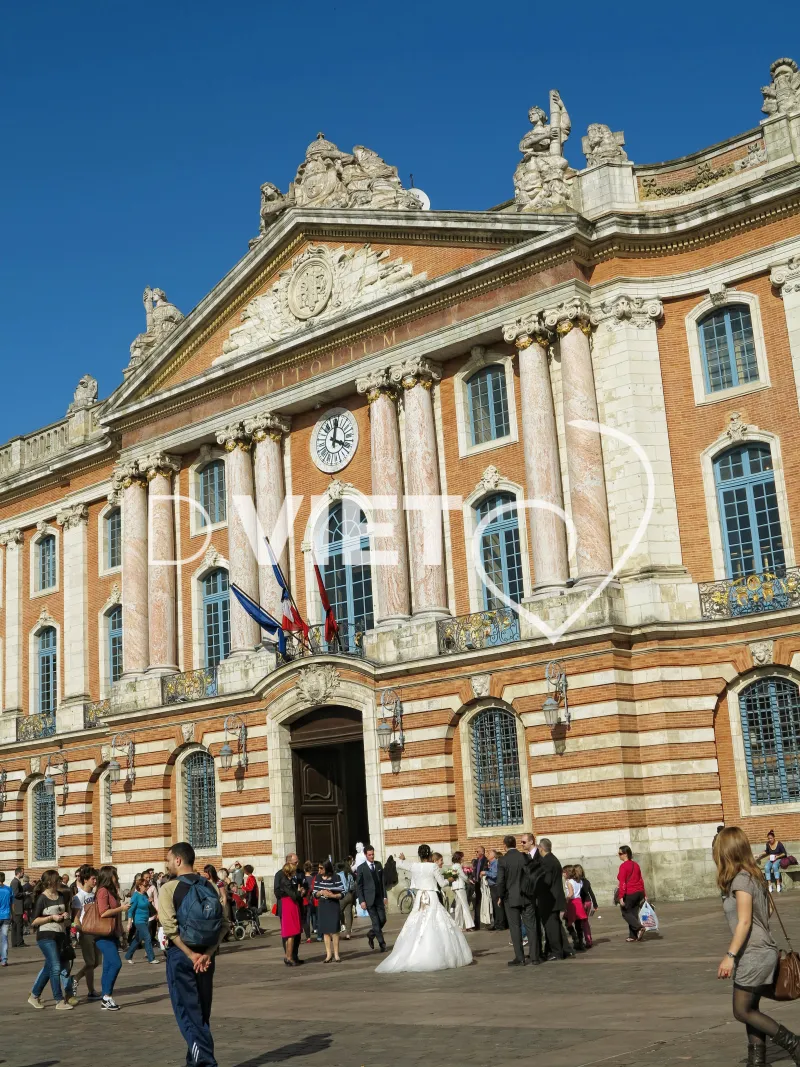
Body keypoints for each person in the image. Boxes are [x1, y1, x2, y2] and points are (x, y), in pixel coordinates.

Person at [714, 825, 800, 1065]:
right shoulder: (754, 875)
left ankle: (794, 1043)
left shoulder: (741, 880)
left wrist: (730, 955)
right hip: (761, 950)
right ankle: (757, 1060)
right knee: (751, 1007)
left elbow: (744, 922)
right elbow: (767, 910)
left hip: (753, 953)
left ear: (727, 851)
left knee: (741, 1010)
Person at [160, 841, 227, 1067]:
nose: (167, 864)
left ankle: (206, 1062)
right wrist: (207, 953)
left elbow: (170, 929)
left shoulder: (169, 888)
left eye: (169, 860)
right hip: (207, 956)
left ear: (178, 860)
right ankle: (193, 1062)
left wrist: (190, 955)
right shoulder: (210, 885)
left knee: (188, 1014)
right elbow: (224, 924)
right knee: (201, 1011)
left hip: (182, 956)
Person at [376, 845, 472, 974]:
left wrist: (402, 859)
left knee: (418, 921)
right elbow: (442, 883)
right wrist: (452, 877)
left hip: (420, 897)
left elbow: (399, 864)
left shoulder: (414, 866)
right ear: (430, 855)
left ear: (419, 855)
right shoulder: (433, 867)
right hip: (431, 896)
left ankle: (415, 952)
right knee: (436, 921)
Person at [27, 869, 76, 1010]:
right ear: (49, 882)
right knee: (55, 966)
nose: (59, 882)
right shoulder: (42, 898)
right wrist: (51, 917)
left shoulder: (61, 895)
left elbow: (63, 913)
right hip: (46, 936)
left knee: (49, 967)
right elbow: (34, 921)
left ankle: (34, 996)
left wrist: (65, 916)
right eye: (57, 880)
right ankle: (59, 1000)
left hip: (60, 935)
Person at [496, 834, 539, 966]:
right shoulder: (525, 857)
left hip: (511, 898)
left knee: (515, 928)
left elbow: (500, 881)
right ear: (515, 844)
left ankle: (520, 958)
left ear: (504, 845)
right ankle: (535, 957)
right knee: (531, 926)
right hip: (527, 896)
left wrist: (500, 896)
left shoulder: (503, 860)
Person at [533, 838, 573, 961]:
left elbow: (547, 881)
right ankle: (566, 949)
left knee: (551, 927)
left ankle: (556, 952)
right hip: (555, 898)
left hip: (550, 899)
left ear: (541, 848)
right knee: (557, 926)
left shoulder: (547, 861)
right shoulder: (553, 859)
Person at [95, 865, 127, 1009]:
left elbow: (117, 917)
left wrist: (122, 934)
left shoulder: (112, 891)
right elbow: (103, 912)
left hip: (112, 933)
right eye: (115, 874)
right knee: (116, 963)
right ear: (109, 876)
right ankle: (106, 996)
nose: (117, 877)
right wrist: (121, 908)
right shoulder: (103, 891)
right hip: (102, 934)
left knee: (108, 966)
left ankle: (106, 997)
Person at [71, 865, 101, 1000]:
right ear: (85, 880)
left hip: (96, 931)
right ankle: (75, 978)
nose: (95, 881)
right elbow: (76, 917)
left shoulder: (94, 895)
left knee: (96, 962)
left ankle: (91, 990)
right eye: (93, 879)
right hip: (85, 931)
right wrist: (79, 931)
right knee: (90, 962)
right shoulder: (79, 897)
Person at [356, 845, 388, 952]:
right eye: (369, 855)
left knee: (382, 919)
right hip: (369, 899)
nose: (372, 857)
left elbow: (382, 882)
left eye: (373, 854)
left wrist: (385, 896)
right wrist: (362, 901)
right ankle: (382, 944)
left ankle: (371, 934)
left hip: (379, 898)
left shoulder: (378, 865)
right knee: (375, 922)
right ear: (365, 855)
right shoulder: (361, 868)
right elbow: (359, 886)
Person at [274, 852, 303, 963]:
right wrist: (294, 893)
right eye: (295, 862)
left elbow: (303, 884)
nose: (297, 864)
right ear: (289, 862)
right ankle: (289, 956)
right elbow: (277, 891)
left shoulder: (298, 873)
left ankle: (294, 955)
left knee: (297, 933)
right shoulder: (280, 875)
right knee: (289, 933)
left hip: (296, 905)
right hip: (286, 906)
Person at [125, 875, 160, 965]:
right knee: (148, 937)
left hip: (145, 920)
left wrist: (150, 902)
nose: (147, 887)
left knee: (138, 939)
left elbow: (147, 906)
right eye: (145, 886)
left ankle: (128, 956)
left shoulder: (144, 895)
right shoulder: (135, 896)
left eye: (147, 885)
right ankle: (151, 958)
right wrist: (129, 923)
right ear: (139, 886)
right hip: (139, 921)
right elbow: (130, 910)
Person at [315, 860, 344, 962]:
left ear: (327, 868)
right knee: (325, 930)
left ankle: (336, 954)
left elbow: (342, 893)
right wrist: (320, 892)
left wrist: (332, 895)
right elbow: (314, 893)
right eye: (318, 868)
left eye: (321, 868)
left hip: (333, 905)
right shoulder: (318, 878)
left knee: (335, 930)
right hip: (323, 905)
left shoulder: (336, 877)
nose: (319, 870)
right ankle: (328, 954)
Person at [616, 845, 646, 943]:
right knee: (633, 914)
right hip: (639, 892)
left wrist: (621, 897)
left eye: (620, 853)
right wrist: (644, 894)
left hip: (630, 892)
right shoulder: (636, 865)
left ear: (626, 854)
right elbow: (641, 880)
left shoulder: (623, 866)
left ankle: (639, 927)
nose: (619, 855)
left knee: (625, 913)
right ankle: (633, 936)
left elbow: (622, 883)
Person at [573, 864, 597, 949]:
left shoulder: (576, 882)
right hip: (588, 902)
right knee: (585, 921)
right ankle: (588, 940)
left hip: (581, 903)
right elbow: (591, 893)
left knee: (580, 922)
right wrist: (595, 904)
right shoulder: (586, 881)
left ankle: (583, 940)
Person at [450, 852, 475, 932]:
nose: (463, 858)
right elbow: (463, 876)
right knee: (465, 906)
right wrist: (469, 880)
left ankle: (458, 925)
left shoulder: (453, 866)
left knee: (458, 907)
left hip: (455, 887)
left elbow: (451, 876)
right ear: (459, 858)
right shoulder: (458, 866)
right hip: (460, 887)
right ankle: (469, 925)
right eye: (462, 857)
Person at [484, 848, 505, 931]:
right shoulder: (491, 863)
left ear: (493, 855)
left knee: (498, 905)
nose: (487, 855)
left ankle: (501, 924)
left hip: (495, 886)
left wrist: (485, 873)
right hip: (492, 886)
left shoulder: (495, 863)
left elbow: (494, 874)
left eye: (489, 853)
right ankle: (496, 923)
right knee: (494, 906)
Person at [337, 861, 356, 939]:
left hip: (342, 895)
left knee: (337, 912)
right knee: (348, 914)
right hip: (349, 895)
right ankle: (348, 934)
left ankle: (336, 931)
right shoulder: (349, 875)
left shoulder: (338, 875)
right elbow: (352, 886)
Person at [471, 847, 488, 930]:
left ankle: (489, 922)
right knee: (477, 904)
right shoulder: (476, 861)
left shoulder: (486, 860)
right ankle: (476, 924)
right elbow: (473, 871)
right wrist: (472, 877)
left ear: (482, 852)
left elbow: (486, 870)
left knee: (487, 903)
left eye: (477, 851)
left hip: (484, 884)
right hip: (477, 884)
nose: (476, 853)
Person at [10, 866, 26, 948]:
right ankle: (19, 942)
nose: (23, 874)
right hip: (17, 906)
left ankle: (15, 942)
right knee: (18, 924)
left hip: (16, 906)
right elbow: (16, 894)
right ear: (19, 873)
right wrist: (24, 893)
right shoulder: (15, 882)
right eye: (23, 872)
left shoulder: (15, 881)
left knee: (15, 925)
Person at [0, 872, 12, 966]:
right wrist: (12, 914)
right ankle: (4, 960)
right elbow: (12, 903)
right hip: (7, 915)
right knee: (4, 938)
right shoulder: (9, 889)